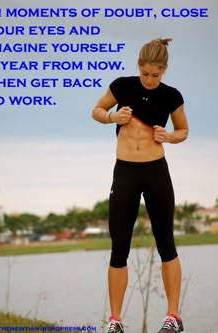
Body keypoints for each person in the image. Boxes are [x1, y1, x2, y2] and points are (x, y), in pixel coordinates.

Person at [91, 38, 188, 333]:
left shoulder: (171, 95)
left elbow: (183, 130)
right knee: (119, 248)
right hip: (125, 173)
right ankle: (115, 321)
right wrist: (112, 117)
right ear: (139, 67)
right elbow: (96, 110)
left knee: (166, 244)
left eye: (155, 75)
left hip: (156, 171)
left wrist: (168, 136)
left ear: (163, 71)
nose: (149, 79)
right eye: (145, 73)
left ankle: (173, 318)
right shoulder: (122, 86)